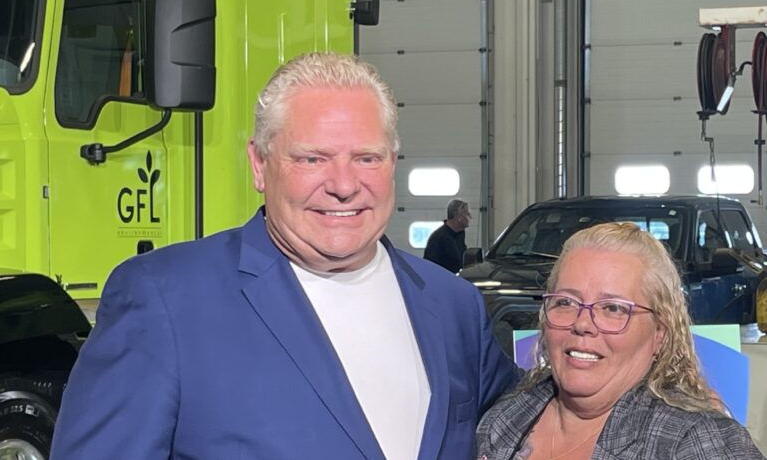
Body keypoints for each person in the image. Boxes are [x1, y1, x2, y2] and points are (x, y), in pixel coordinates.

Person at [51, 52, 519, 460]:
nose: (343, 184)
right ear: (259, 164)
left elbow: (534, 427)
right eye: (312, 159)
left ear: (392, 163)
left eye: (367, 158)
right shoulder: (165, 301)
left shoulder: (453, 306)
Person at [476, 222, 764, 460]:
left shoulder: (695, 441)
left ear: (660, 333)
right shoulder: (505, 418)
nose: (582, 323)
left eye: (613, 308)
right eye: (565, 301)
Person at [424, 198, 471, 273]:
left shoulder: (460, 235)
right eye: (466, 213)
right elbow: (430, 267)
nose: (470, 217)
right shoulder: (438, 238)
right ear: (457, 215)